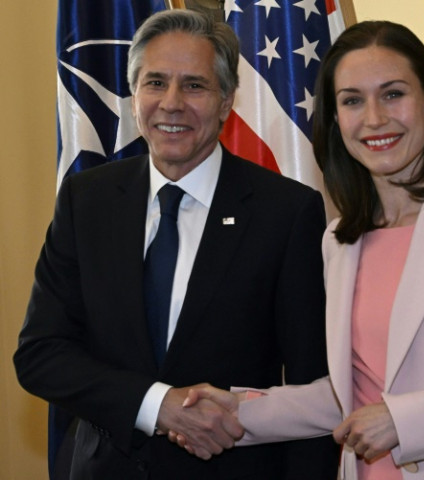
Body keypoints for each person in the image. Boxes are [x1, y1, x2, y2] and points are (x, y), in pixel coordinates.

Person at [174, 20, 424, 480]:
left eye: (392, 94)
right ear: (335, 117)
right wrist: (239, 411)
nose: (373, 119)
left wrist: (404, 419)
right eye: (351, 101)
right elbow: (355, 395)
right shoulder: (339, 239)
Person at [14, 9, 338, 480]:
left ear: (226, 100)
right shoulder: (87, 200)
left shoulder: (286, 213)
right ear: (133, 94)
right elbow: (41, 354)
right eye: (155, 82)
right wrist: (157, 405)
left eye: (194, 86)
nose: (171, 103)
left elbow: (314, 392)